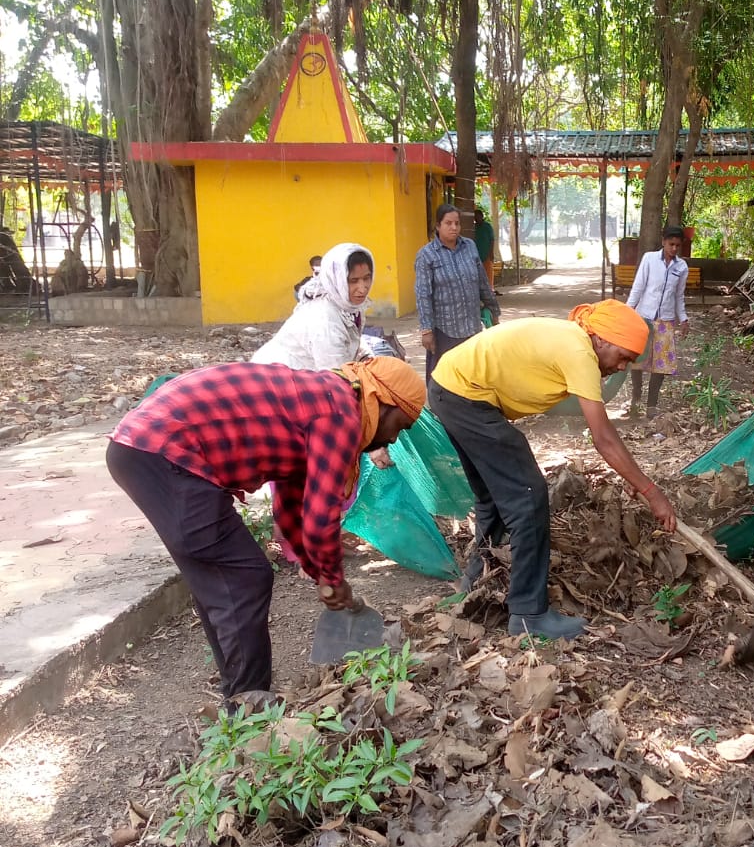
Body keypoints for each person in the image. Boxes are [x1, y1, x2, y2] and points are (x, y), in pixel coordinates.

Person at [106, 358, 425, 703]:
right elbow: (320, 520)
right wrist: (334, 581)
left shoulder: (326, 399)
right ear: (383, 401)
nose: (392, 438)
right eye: (401, 425)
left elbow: (291, 510)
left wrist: (319, 573)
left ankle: (239, 695)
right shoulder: (341, 412)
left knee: (220, 576)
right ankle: (248, 706)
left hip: (144, 447)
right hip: (163, 450)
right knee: (243, 577)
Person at [428, 301, 677, 640]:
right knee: (528, 497)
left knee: (493, 496)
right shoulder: (579, 351)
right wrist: (652, 492)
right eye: (623, 356)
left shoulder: (572, 340)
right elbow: (603, 438)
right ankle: (529, 614)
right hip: (466, 395)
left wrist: (628, 474)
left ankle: (475, 577)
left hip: (449, 388)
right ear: (601, 339)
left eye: (630, 362)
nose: (622, 366)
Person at [415, 203, 500, 382]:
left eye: (457, 223)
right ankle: (442, 409)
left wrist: (493, 311)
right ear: (438, 226)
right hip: (445, 331)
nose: (454, 227)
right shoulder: (427, 255)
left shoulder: (469, 246)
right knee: (445, 380)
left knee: (473, 377)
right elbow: (423, 295)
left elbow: (482, 282)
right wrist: (426, 331)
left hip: (471, 327)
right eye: (448, 223)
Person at [255, 243, 373, 370]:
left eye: (366, 278)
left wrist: (369, 358)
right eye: (353, 281)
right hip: (277, 379)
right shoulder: (325, 320)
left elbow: (352, 340)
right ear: (336, 279)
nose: (362, 289)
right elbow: (335, 378)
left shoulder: (347, 305)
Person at [625, 224, 690, 415]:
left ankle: (651, 405)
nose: (674, 249)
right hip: (643, 317)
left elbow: (679, 296)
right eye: (671, 244)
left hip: (666, 320)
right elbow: (638, 287)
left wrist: (684, 319)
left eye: (678, 245)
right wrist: (628, 311)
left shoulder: (681, 266)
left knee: (660, 366)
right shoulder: (649, 259)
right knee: (637, 361)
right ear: (663, 242)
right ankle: (635, 401)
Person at [473, 205, 497, 290]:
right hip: (476, 255)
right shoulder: (473, 227)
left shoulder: (487, 226)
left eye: (478, 217)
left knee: (488, 274)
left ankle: (490, 289)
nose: (476, 218)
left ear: (482, 216)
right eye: (475, 217)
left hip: (486, 254)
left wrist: (491, 253)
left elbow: (492, 240)